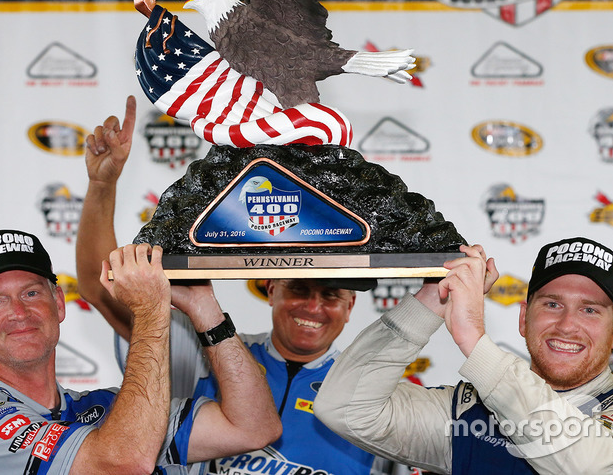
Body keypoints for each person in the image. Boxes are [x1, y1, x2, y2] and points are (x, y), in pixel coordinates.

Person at [75, 96, 398, 475]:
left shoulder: (370, 391)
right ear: (270, 288)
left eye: (331, 295)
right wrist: (102, 184)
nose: (313, 307)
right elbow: (102, 287)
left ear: (350, 308)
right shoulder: (209, 351)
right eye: (299, 289)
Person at [314, 238, 613, 474]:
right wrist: (433, 298)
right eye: (552, 304)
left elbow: (587, 466)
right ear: (524, 318)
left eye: (590, 310)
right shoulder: (467, 413)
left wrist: (476, 342)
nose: (567, 325)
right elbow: (345, 408)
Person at [0, 229, 281, 474]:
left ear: (58, 304)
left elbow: (254, 428)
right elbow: (122, 464)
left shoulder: (106, 410)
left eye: (31, 293)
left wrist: (204, 307)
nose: (19, 313)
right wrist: (149, 311)